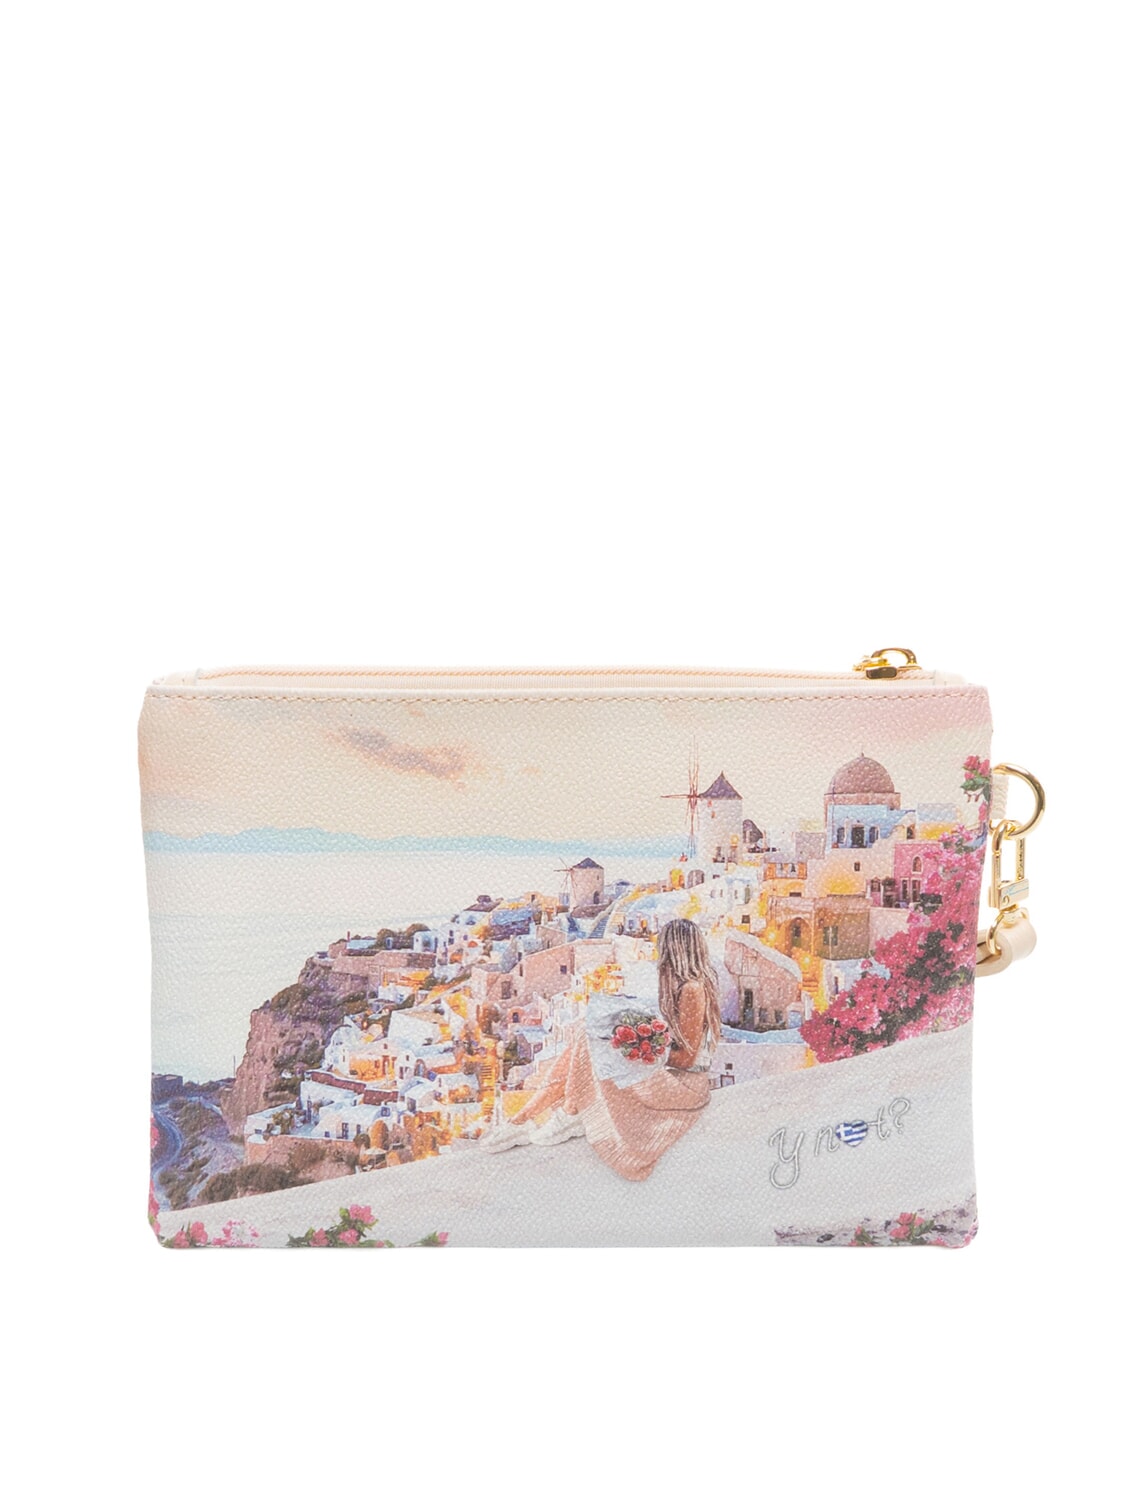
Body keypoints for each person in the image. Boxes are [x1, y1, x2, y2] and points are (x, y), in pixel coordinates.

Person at [482, 918, 721, 1181]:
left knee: (593, 1042)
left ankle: (558, 1114)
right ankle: (529, 1118)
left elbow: (686, 1059)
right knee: (587, 1033)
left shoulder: (692, 990)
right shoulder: (681, 987)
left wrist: (636, 1050)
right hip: (671, 1075)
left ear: (673, 949)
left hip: (684, 1086)